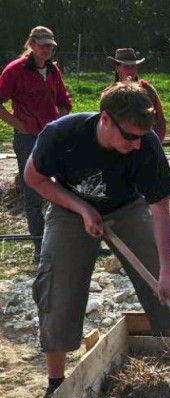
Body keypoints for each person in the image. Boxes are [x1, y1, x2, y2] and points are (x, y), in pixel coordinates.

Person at [24, 82, 170, 398]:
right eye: (129, 136)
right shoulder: (61, 135)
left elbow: (160, 210)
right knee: (57, 286)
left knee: (164, 278)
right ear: (105, 119)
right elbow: (33, 178)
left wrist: (164, 275)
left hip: (127, 207)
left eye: (142, 137)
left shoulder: (147, 145)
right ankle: (55, 385)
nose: (137, 144)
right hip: (69, 210)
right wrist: (82, 209)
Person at [0, 26, 72, 263]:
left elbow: (63, 100)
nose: (46, 49)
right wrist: (19, 125)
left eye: (50, 45)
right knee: (33, 193)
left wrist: (61, 119)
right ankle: (40, 249)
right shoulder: (14, 70)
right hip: (27, 138)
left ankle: (62, 242)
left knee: (63, 187)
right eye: (42, 45)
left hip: (51, 136)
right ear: (31, 44)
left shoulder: (52, 70)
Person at [108, 48, 166, 142]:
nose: (131, 70)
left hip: (146, 141)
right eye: (126, 67)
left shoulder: (147, 90)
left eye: (133, 67)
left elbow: (160, 120)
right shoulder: (110, 94)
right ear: (117, 68)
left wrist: (155, 142)